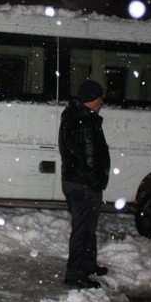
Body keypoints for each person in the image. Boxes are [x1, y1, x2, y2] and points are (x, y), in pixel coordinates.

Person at [59, 79, 111, 289]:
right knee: (82, 229)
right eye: (99, 97)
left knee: (87, 227)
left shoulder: (73, 116)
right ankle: (75, 274)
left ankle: (88, 265)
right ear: (92, 99)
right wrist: (96, 182)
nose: (102, 101)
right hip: (83, 184)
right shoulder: (86, 122)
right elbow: (90, 158)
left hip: (74, 181)